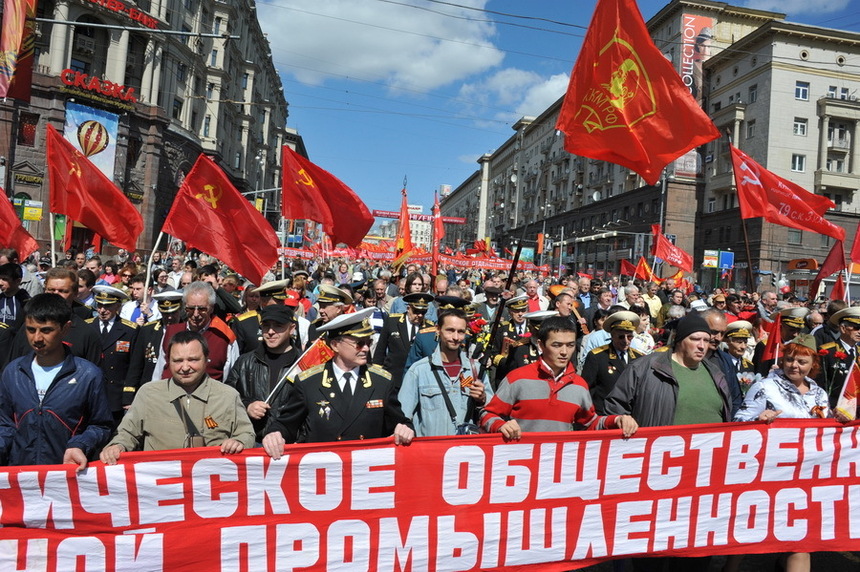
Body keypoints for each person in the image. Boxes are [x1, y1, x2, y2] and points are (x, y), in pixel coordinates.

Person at [733, 339, 829, 572]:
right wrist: (758, 421)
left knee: (800, 540)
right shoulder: (765, 387)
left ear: (813, 363)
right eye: (789, 359)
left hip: (805, 479)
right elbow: (737, 423)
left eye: (802, 361)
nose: (794, 365)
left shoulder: (819, 393)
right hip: (768, 475)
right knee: (750, 535)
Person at [261, 311, 414, 455]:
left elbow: (399, 422)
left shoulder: (381, 382)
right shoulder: (309, 382)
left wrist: (405, 428)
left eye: (369, 342)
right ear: (335, 345)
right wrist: (275, 434)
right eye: (359, 343)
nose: (366, 349)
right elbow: (287, 424)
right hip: (324, 472)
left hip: (364, 472)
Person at [100, 330, 255, 462]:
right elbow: (127, 433)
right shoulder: (149, 394)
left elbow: (246, 433)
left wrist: (238, 442)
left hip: (209, 486)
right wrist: (117, 446)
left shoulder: (227, 396)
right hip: (162, 484)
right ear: (168, 361)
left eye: (193, 360)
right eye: (178, 361)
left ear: (207, 359)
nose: (185, 367)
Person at [0, 293, 112, 469]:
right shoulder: (13, 372)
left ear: (65, 329)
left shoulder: (88, 375)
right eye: (31, 329)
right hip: (21, 476)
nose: (37, 338)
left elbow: (101, 425)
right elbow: (5, 424)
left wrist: (80, 444)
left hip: (65, 476)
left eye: (46, 330)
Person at [480, 316, 638, 439]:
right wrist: (500, 425)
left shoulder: (579, 385)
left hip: (559, 470)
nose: (564, 352)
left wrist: (616, 420)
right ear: (541, 345)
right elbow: (487, 415)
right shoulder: (517, 378)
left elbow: (590, 423)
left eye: (570, 345)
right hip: (522, 467)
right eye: (557, 345)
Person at [604, 313, 733, 428]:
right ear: (679, 340)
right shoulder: (644, 368)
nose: (701, 346)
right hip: (659, 450)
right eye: (695, 339)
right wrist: (621, 420)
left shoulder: (716, 374)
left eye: (706, 340)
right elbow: (615, 408)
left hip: (708, 452)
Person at [398, 306, 491, 436]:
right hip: (431, 451)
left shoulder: (475, 370)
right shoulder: (419, 370)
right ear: (438, 330)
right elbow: (402, 416)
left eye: (461, 332)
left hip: (465, 450)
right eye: (450, 330)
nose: (456, 337)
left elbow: (492, 411)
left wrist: (482, 399)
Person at [225, 305, 300, 443]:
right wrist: (247, 406)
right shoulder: (244, 362)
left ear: (292, 328)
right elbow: (226, 398)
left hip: (291, 445)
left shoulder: (304, 363)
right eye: (266, 326)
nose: (271, 331)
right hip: (253, 442)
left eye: (278, 326)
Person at [153, 281, 239, 381]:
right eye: (191, 309)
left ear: (211, 308)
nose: (196, 314)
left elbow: (231, 380)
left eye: (202, 309)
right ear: (184, 307)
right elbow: (158, 373)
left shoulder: (225, 338)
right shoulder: (171, 332)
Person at [87, 285, 142, 424]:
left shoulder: (129, 330)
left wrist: (128, 395)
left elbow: (134, 366)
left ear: (117, 306)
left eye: (108, 306)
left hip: (116, 395)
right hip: (92, 394)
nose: (102, 310)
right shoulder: (87, 328)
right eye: (99, 305)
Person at [581, 311, 644, 415]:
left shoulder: (639, 358)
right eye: (621, 337)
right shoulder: (597, 356)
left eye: (629, 337)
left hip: (631, 416)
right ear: (612, 335)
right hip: (604, 415)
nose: (626, 341)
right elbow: (587, 389)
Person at [372, 292, 435, 388]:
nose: (420, 315)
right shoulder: (392, 321)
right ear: (408, 308)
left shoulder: (430, 327)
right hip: (393, 378)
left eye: (423, 312)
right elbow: (380, 350)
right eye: (416, 311)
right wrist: (377, 375)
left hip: (418, 381)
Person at [816, 306, 860, 406]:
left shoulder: (859, 352)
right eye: (856, 328)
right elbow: (819, 383)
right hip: (835, 408)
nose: (859, 332)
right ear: (843, 328)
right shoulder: (826, 352)